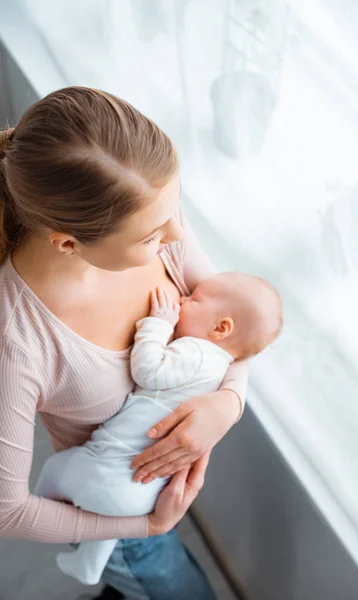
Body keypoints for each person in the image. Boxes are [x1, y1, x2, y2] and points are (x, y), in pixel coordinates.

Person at [0, 87, 249, 600]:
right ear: (68, 243)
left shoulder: (152, 215)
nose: (177, 233)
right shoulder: (17, 343)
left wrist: (228, 403)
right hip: (116, 520)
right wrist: (149, 527)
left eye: (174, 210)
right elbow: (8, 510)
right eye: (152, 236)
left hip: (159, 487)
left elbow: (237, 322)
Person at [35, 275, 282, 585]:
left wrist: (159, 324)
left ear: (221, 328)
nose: (181, 300)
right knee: (112, 520)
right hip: (141, 494)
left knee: (55, 468)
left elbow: (148, 370)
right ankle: (89, 563)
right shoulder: (220, 369)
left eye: (193, 300)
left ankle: (45, 501)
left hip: (105, 477)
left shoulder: (196, 352)